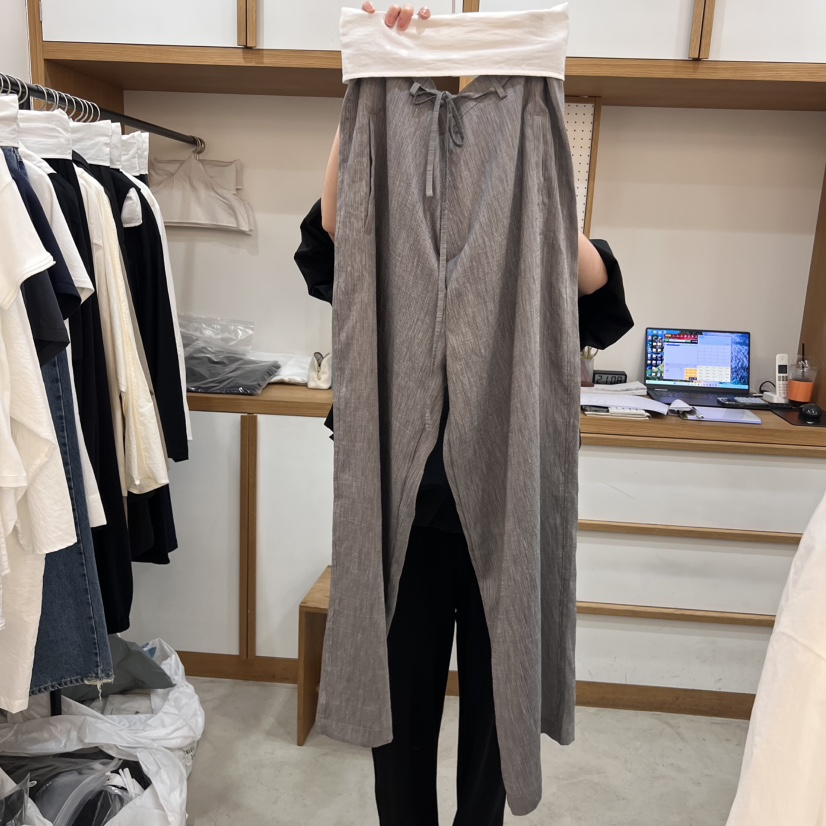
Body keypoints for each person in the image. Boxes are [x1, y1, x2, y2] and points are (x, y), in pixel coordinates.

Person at [294, 6, 634, 824]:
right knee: (400, 722)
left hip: (505, 512)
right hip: (405, 522)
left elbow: (602, 302)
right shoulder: (382, 219)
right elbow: (329, 239)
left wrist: (530, 194)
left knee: (496, 710)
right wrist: (368, 82)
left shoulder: (536, 236)